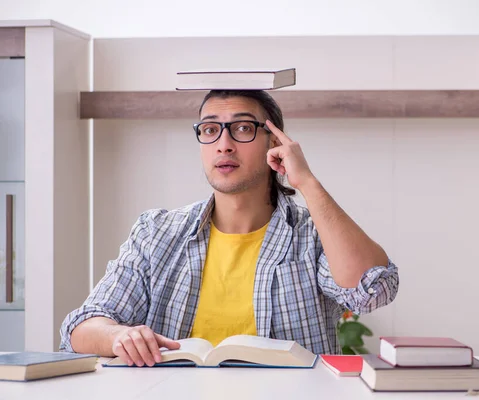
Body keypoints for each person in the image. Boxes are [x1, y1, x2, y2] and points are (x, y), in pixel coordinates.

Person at [59, 90, 398, 367]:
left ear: (274, 142)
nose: (224, 144)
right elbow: (80, 328)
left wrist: (307, 182)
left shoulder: (311, 236)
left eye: (242, 128)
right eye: (210, 129)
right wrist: (117, 336)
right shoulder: (157, 232)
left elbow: (372, 290)